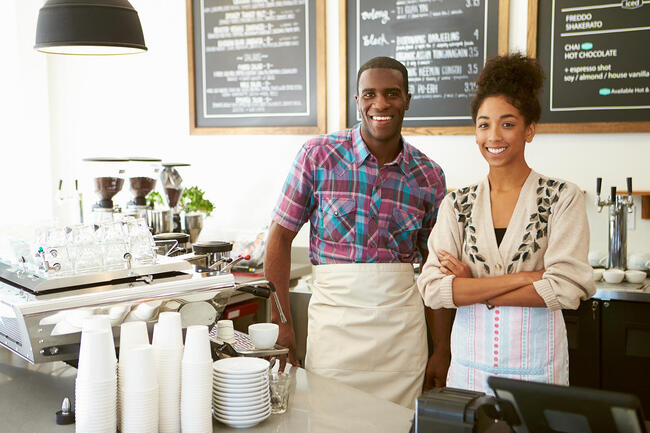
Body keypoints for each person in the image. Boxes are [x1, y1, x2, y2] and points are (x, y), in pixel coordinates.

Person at [265, 56, 450, 408]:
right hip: (335, 331)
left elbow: (435, 265)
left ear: (408, 100)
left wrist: (442, 347)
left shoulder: (429, 176)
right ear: (357, 101)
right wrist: (282, 324)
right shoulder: (318, 155)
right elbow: (279, 238)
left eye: (392, 93)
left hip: (401, 338)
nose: (380, 104)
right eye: (370, 94)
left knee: (399, 424)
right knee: (330, 420)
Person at [417, 54, 595, 393]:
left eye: (508, 123)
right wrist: (528, 278)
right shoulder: (457, 204)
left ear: (529, 130)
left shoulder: (561, 197)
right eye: (483, 124)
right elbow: (432, 289)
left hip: (536, 370)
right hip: (468, 368)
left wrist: (470, 287)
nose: (493, 136)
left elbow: (568, 287)